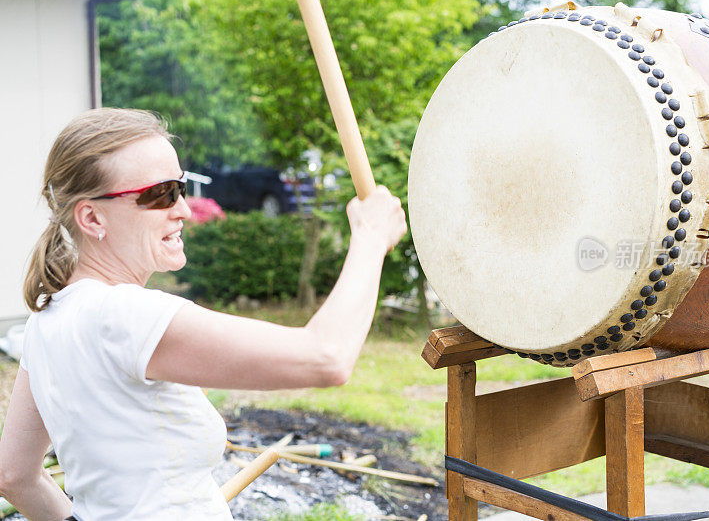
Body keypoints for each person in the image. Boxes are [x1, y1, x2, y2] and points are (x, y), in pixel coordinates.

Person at [0, 108, 407, 520]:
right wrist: (370, 240)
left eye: (179, 187)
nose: (184, 210)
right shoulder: (125, 316)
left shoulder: (45, 323)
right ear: (91, 217)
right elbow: (326, 357)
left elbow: (14, 474)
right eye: (159, 194)